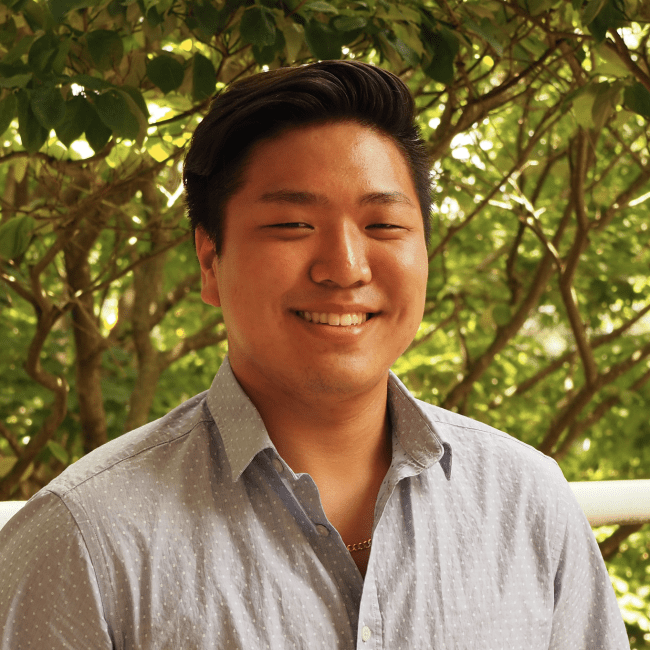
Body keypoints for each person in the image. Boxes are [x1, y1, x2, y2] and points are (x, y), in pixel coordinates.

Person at [0, 61, 629, 649]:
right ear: (210, 260)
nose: (345, 267)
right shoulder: (81, 538)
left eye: (383, 226)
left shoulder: (529, 505)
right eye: (293, 225)